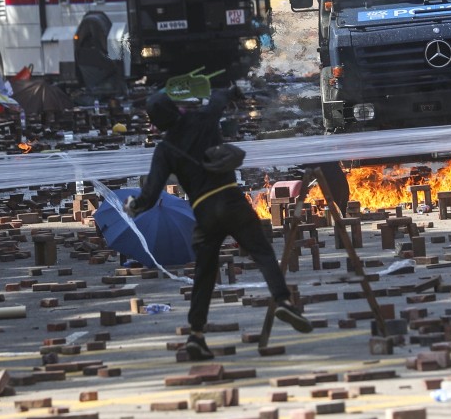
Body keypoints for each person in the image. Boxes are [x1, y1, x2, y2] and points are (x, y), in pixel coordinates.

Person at [127, 87, 312, 361]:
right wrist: (229, 91)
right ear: (176, 107)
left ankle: (196, 336)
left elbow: (151, 193)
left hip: (204, 212)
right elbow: (219, 99)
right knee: (261, 252)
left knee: (204, 274)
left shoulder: (165, 150)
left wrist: (134, 205)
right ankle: (283, 300)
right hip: (231, 200)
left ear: (156, 123)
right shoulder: (202, 118)